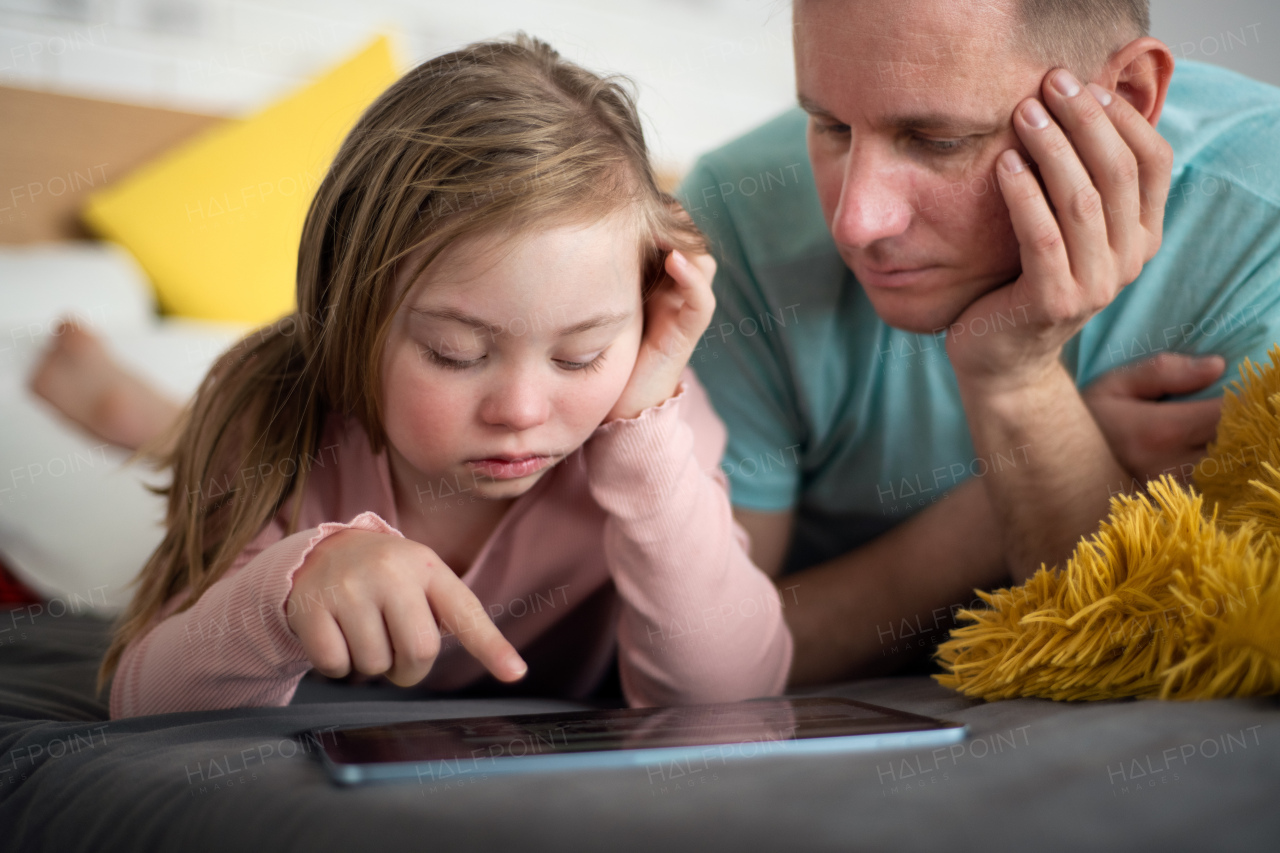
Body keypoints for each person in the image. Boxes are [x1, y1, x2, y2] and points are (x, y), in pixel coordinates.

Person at [84, 35, 792, 718]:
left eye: (578, 356)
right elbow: (142, 698)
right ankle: (131, 412)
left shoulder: (657, 419)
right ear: (350, 309)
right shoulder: (269, 415)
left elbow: (733, 699)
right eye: (455, 352)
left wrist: (645, 441)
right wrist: (287, 593)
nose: (520, 409)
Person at [679, 0, 1280, 684]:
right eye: (830, 125)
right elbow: (705, 664)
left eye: (938, 140)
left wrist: (1013, 378)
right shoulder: (734, 220)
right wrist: (1042, 464)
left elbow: (1180, 666)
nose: (856, 221)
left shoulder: (1262, 223)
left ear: (1128, 97)